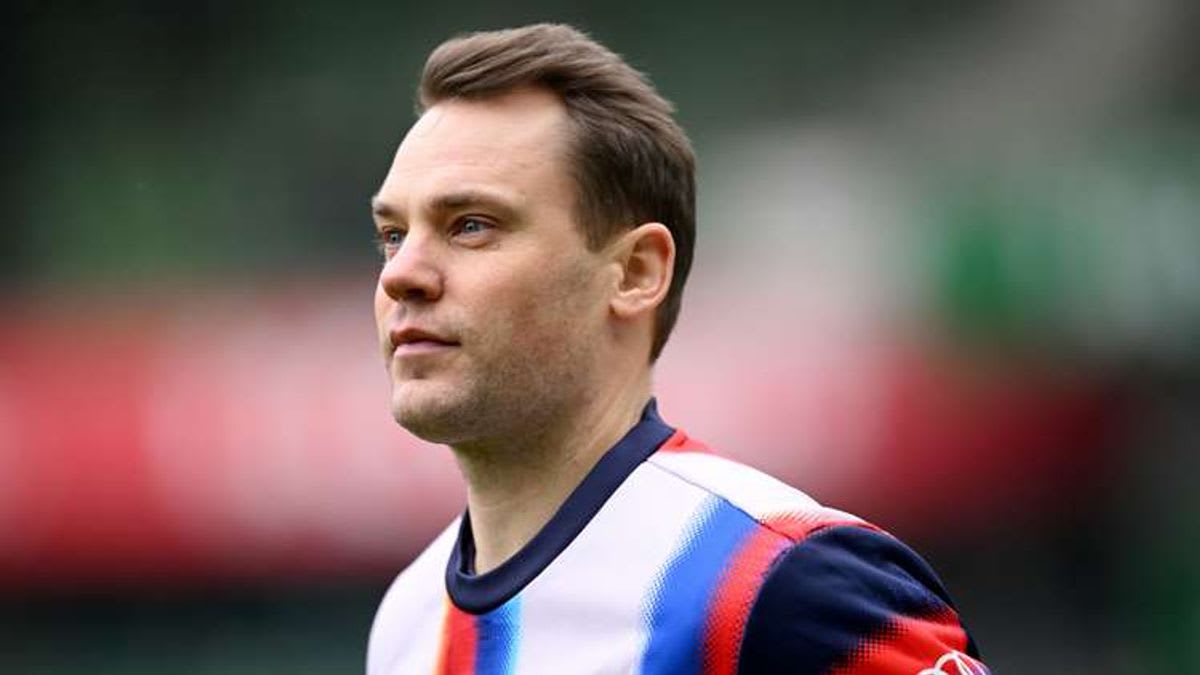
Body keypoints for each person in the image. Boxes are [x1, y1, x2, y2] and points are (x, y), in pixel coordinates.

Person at [366, 23, 989, 675]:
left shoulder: (776, 579)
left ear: (635, 271)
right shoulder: (409, 621)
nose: (400, 274)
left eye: (471, 225)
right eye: (393, 234)